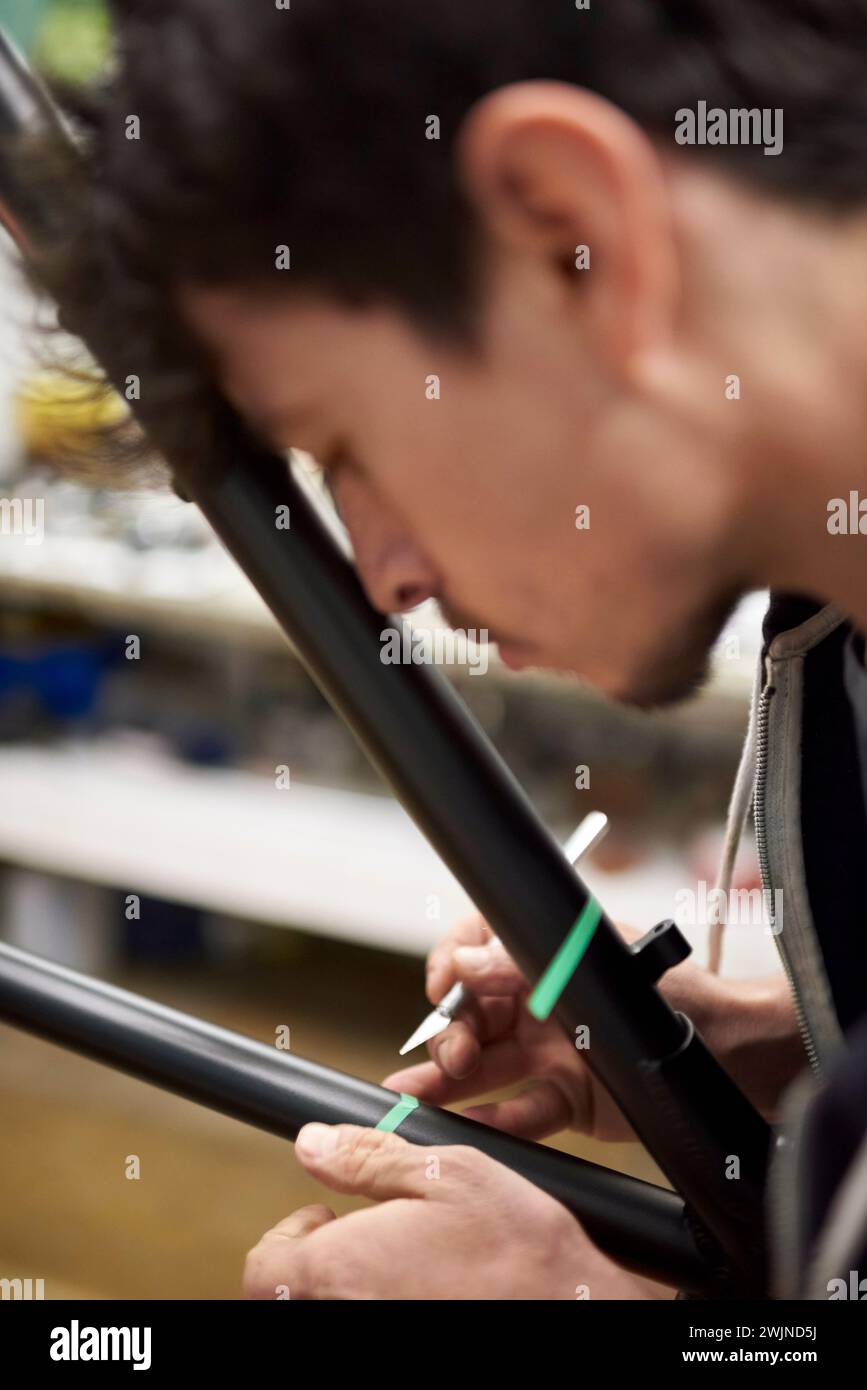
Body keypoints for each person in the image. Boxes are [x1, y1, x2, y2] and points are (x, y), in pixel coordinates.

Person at [39, 1, 867, 1299]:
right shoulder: (835, 625)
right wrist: (782, 1053)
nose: (389, 575)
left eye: (347, 449)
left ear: (570, 233)